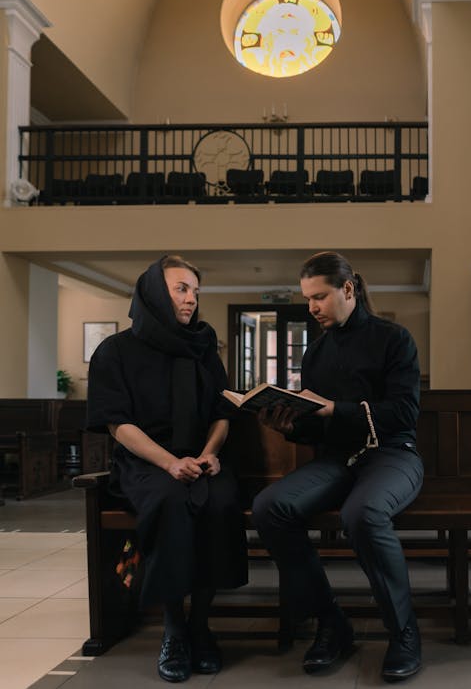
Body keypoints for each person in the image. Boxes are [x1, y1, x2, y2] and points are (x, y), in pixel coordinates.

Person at [252, 251, 424, 682]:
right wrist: (288, 425)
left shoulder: (394, 338)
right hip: (337, 459)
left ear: (348, 290)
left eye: (319, 297)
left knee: (361, 513)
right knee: (269, 506)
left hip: (392, 454)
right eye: (307, 298)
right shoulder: (316, 353)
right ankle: (332, 623)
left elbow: (404, 413)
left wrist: (336, 410)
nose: (311, 307)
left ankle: (403, 632)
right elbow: (318, 426)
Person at [86, 254, 248, 683]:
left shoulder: (204, 347)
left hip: (203, 459)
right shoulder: (115, 351)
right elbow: (118, 424)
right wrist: (170, 462)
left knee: (220, 503)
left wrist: (211, 453)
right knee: (172, 502)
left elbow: (222, 412)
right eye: (181, 288)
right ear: (155, 292)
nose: (192, 298)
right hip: (146, 463)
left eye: (195, 290)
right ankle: (175, 628)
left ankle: (201, 626)